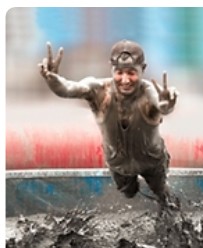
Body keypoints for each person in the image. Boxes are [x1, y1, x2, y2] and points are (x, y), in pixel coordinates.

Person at [38, 40, 180, 211]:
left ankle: (170, 216)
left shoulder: (149, 92)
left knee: (162, 193)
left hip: (152, 160)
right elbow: (68, 88)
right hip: (118, 163)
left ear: (143, 69)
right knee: (128, 193)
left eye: (132, 73)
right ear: (111, 69)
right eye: (119, 72)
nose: (125, 80)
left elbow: (162, 105)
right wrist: (53, 80)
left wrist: (168, 104)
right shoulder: (98, 90)